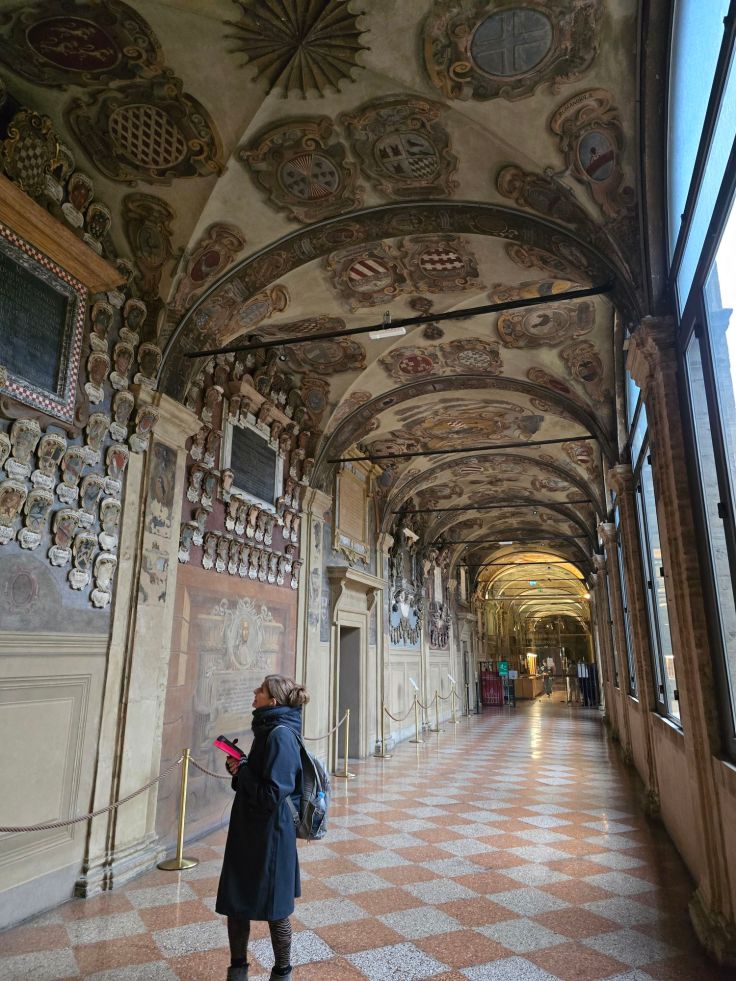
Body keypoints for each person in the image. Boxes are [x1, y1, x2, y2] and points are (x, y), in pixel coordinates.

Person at [216, 674, 309, 981]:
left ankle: (282, 972)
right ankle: (237, 969)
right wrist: (241, 768)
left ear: (273, 701)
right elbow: (257, 780)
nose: (254, 692)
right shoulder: (266, 729)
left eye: (261, 690)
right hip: (249, 830)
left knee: (276, 908)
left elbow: (272, 794)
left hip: (271, 834)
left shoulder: (280, 735)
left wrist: (243, 772)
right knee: (236, 902)